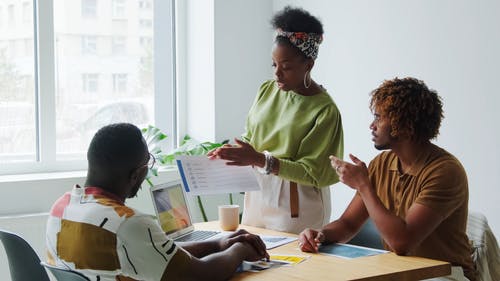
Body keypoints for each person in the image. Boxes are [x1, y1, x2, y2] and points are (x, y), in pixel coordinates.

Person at [298, 77, 476, 281]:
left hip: (444, 274)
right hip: (399, 271)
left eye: (378, 118)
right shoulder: (381, 163)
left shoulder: (445, 171)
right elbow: (348, 224)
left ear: (403, 122)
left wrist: (363, 185)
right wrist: (320, 234)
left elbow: (402, 243)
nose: (371, 126)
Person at [45, 123, 268, 281]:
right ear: (136, 174)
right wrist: (239, 249)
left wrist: (217, 244)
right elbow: (202, 274)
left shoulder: (62, 208)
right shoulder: (128, 224)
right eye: (148, 163)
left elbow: (155, 252)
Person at [208, 6, 343, 234]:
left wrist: (261, 160)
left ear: (308, 65)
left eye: (287, 67)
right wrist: (234, 152)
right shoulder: (267, 91)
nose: (277, 74)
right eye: (274, 65)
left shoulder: (325, 111)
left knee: (297, 266)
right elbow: (251, 138)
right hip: (257, 192)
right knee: (254, 260)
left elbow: (313, 173)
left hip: (297, 201)